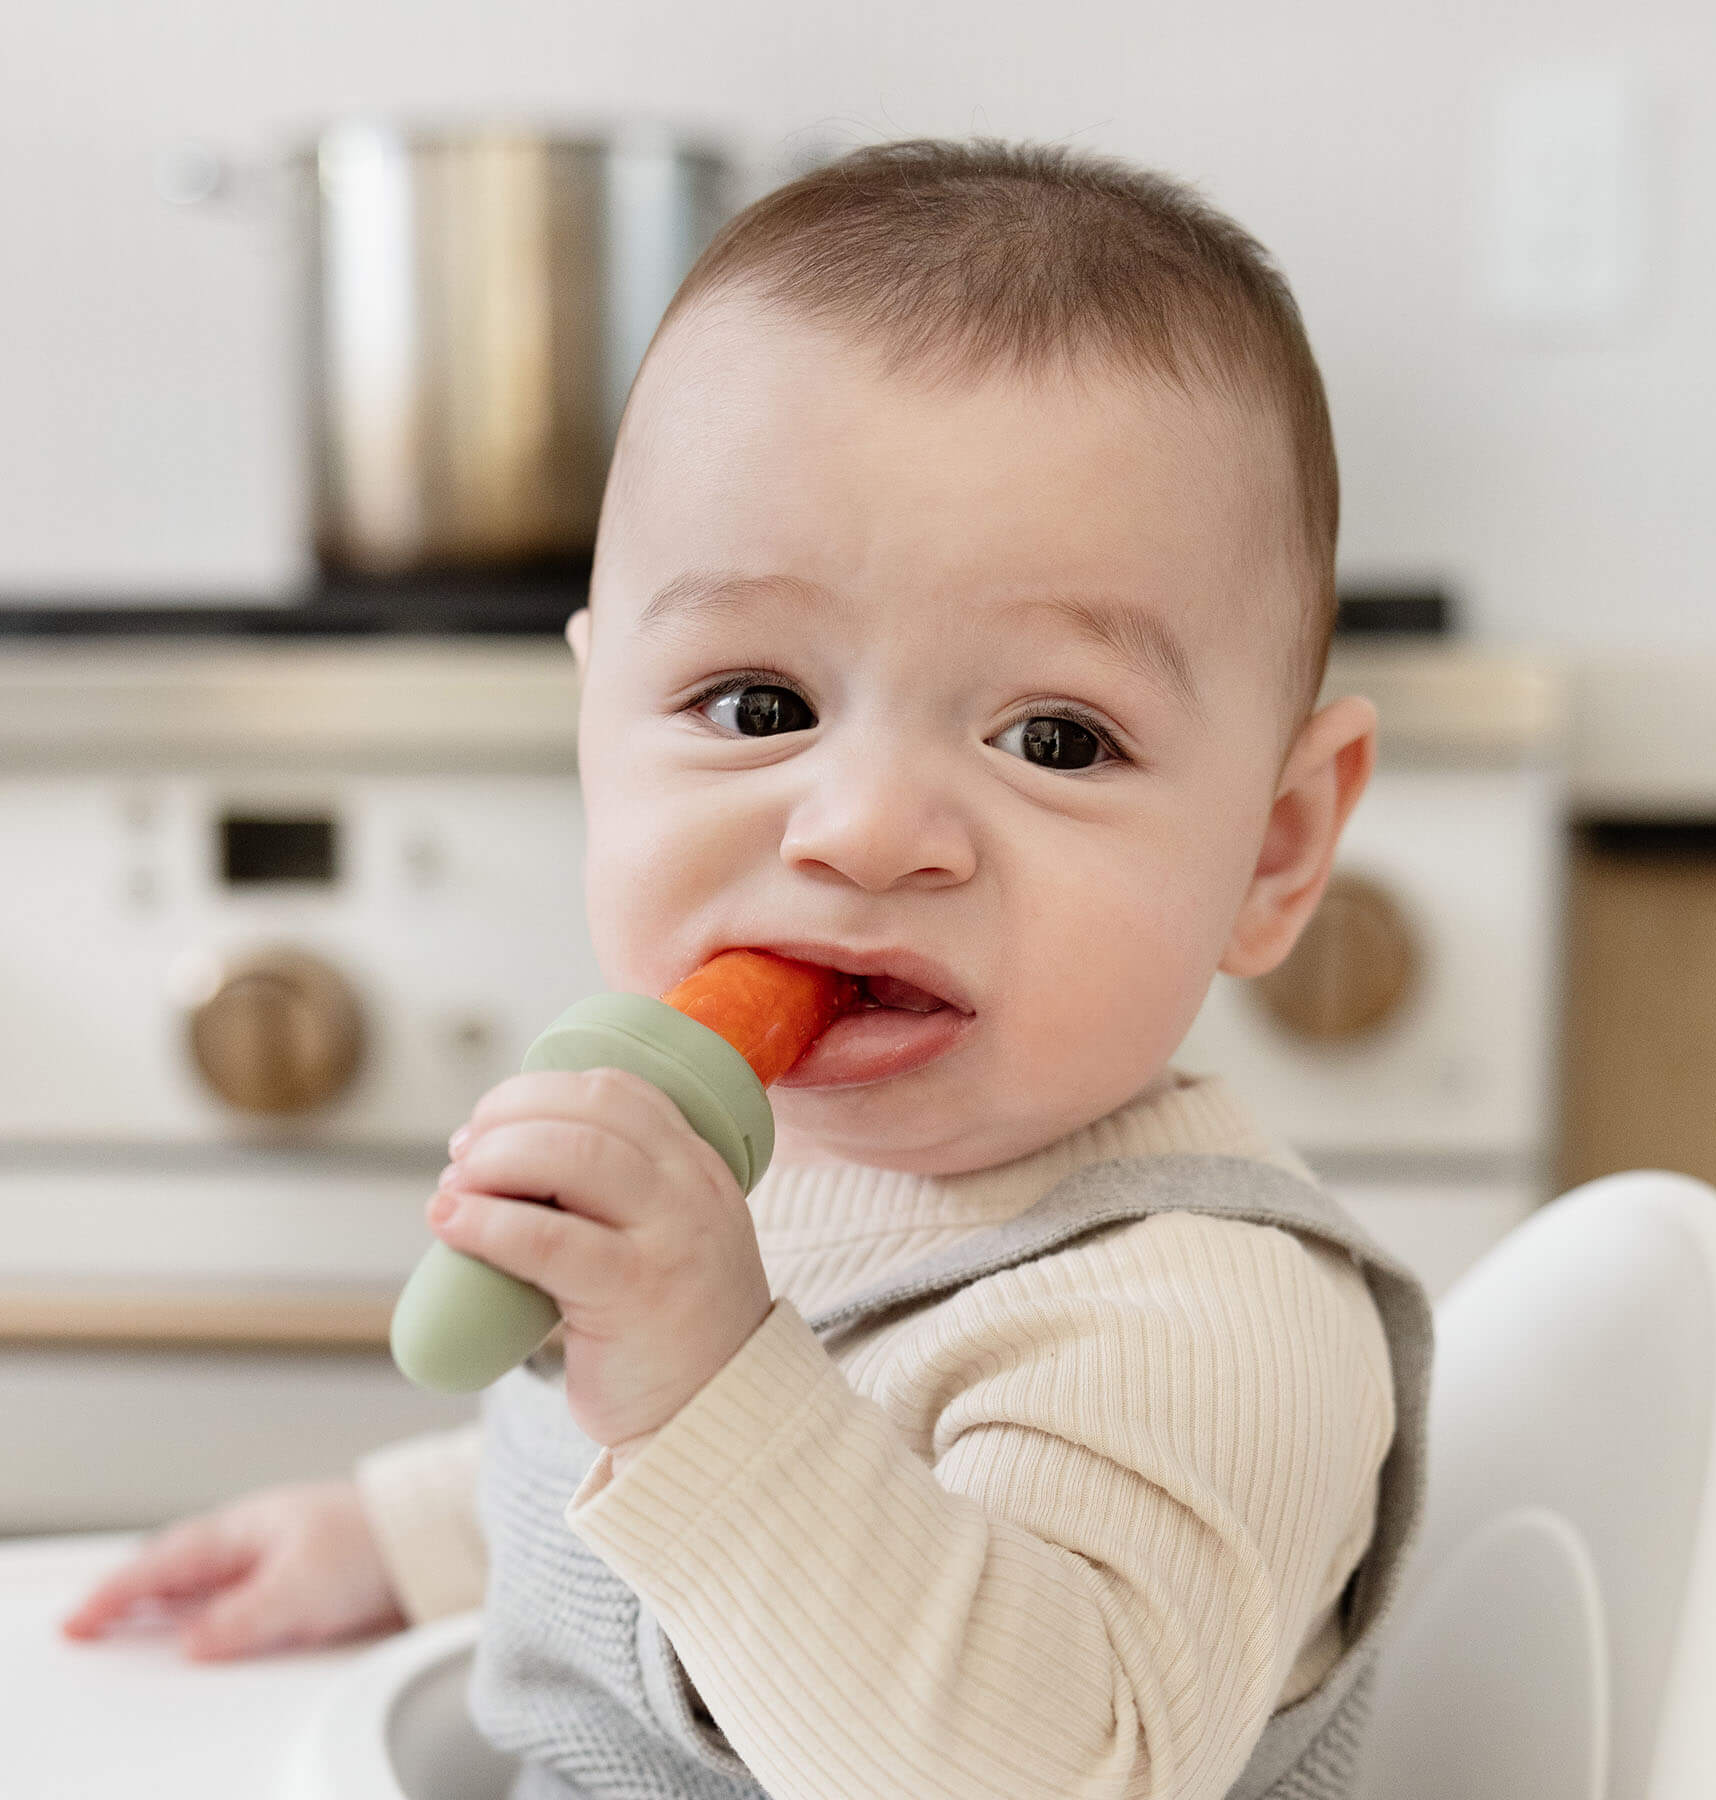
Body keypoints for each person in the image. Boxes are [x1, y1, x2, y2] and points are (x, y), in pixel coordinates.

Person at [63, 139, 1432, 1800]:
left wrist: (704, 1376)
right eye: (760, 707)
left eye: (1056, 737)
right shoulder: (755, 1195)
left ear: (1277, 850)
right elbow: (627, 1510)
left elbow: (1045, 1764)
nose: (863, 830)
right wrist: (394, 1536)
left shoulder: (1196, 1321)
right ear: (591, 727)